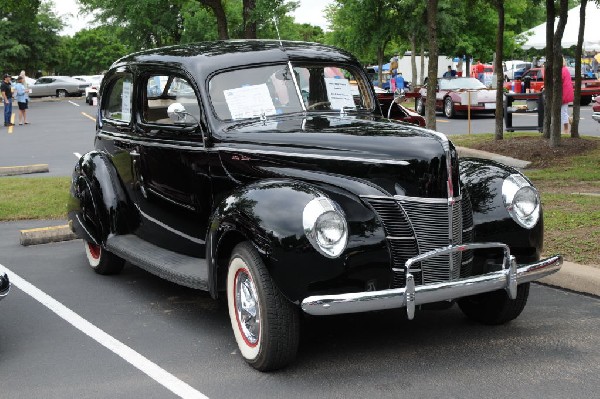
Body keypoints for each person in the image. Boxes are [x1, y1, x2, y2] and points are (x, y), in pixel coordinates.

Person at [561, 59, 574, 135]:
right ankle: (569, 119)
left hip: (564, 92)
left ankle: (566, 129)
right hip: (567, 92)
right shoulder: (565, 69)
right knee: (563, 110)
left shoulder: (561, 70)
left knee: (562, 111)